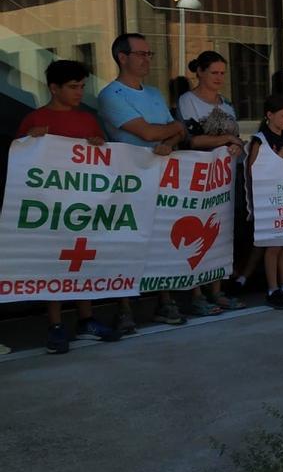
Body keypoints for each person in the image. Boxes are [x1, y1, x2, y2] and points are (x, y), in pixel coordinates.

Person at [18, 60, 123, 353]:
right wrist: (30, 140)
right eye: (73, 87)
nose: (80, 92)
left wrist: (99, 145)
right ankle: (55, 324)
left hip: (84, 207)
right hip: (50, 208)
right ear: (54, 88)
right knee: (56, 263)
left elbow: (103, 160)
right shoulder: (34, 119)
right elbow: (21, 164)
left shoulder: (88, 120)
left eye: (82, 87)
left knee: (83, 259)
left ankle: (86, 319)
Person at [98, 33, 188, 328]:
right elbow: (148, 133)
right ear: (122, 57)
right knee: (128, 241)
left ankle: (165, 300)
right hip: (128, 179)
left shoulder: (153, 94)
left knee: (161, 237)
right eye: (141, 54)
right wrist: (171, 129)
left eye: (149, 54)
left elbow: (175, 133)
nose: (147, 59)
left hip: (161, 177)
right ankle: (125, 307)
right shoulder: (111, 95)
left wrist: (170, 140)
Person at [176, 51, 247, 314]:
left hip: (224, 177)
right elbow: (191, 140)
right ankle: (196, 293)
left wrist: (235, 146)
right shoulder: (188, 101)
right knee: (195, 233)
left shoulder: (226, 103)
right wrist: (226, 141)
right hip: (197, 177)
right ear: (200, 72)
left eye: (222, 73)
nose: (219, 78)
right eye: (214, 72)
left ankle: (217, 290)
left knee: (220, 233)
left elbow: (236, 137)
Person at [248, 94, 283, 310]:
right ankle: (273, 288)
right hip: (269, 201)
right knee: (273, 246)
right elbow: (253, 170)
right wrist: (278, 157)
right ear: (269, 115)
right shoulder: (260, 140)